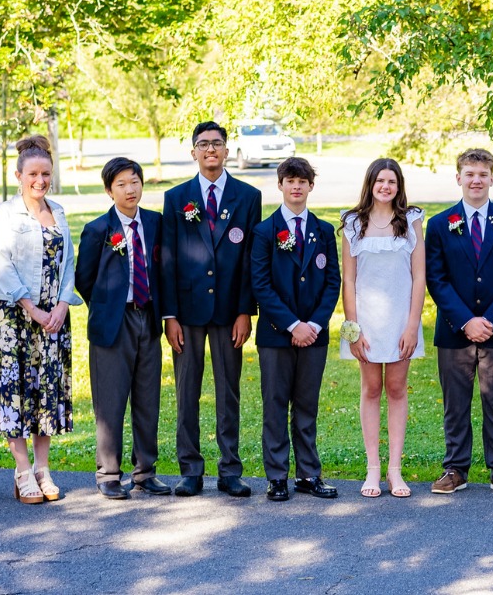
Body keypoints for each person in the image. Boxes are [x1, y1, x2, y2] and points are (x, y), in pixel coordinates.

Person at [160, 121, 263, 498]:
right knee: (187, 390)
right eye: (203, 144)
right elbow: (167, 260)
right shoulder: (177, 198)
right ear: (193, 152)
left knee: (228, 391)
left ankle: (230, 469)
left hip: (228, 311)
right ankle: (190, 469)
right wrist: (169, 315)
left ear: (226, 150)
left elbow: (251, 259)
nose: (210, 150)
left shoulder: (247, 197)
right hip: (186, 313)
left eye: (217, 144)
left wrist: (244, 312)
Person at [425, 148, 493, 496]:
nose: (476, 180)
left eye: (483, 175)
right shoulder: (440, 224)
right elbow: (436, 279)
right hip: (454, 332)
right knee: (455, 402)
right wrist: (466, 321)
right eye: (469, 174)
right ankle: (455, 468)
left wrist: (489, 319)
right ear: (459, 178)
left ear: (491, 178)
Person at [0, 135, 82, 504]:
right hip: (16, 320)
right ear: (19, 174)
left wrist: (61, 305)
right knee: (16, 393)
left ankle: (43, 468)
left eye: (46, 174)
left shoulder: (58, 211)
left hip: (53, 321)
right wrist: (33, 308)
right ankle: (22, 470)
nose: (40, 181)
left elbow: (68, 262)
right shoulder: (6, 213)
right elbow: (3, 264)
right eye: (33, 174)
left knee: (46, 393)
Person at [74, 158, 171, 500]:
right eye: (121, 184)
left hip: (148, 318)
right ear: (108, 190)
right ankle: (109, 474)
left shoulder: (157, 223)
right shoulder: (98, 230)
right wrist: (108, 305)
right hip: (113, 324)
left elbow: (164, 270)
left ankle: (145, 472)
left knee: (148, 399)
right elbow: (84, 279)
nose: (130, 190)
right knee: (111, 401)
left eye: (135, 182)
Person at [251, 157, 342, 501]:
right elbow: (261, 285)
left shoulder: (322, 231)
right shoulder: (264, 232)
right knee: (275, 404)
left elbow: (332, 281)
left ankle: (308, 474)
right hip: (277, 335)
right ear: (280, 185)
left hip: (314, 337)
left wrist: (314, 324)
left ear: (310, 187)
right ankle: (277, 477)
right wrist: (292, 325)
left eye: (302, 181)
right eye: (290, 181)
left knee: (307, 406)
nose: (296, 186)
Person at [339, 158, 426, 499]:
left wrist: (412, 324)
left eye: (392, 181)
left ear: (399, 185)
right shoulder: (352, 223)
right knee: (371, 388)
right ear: (371, 184)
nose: (386, 187)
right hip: (366, 320)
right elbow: (349, 278)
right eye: (380, 181)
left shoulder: (413, 219)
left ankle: (394, 469)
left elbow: (419, 277)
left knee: (397, 388)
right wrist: (353, 328)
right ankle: (372, 468)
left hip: (401, 318)